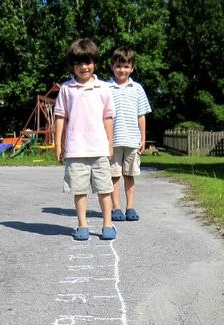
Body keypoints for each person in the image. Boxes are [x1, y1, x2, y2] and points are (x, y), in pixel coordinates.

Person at [54, 38, 117, 241]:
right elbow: (60, 117)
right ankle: (82, 224)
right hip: (76, 149)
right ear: (73, 65)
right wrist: (58, 144)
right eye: (79, 63)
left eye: (87, 62)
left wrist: (110, 143)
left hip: (98, 148)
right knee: (79, 190)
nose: (84, 67)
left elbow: (108, 117)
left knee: (104, 189)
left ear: (94, 63)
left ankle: (108, 223)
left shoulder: (104, 88)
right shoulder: (66, 89)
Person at [107, 47, 152, 222]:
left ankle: (130, 207)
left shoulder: (137, 88)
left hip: (132, 140)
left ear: (132, 68)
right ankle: (116, 207)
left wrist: (143, 138)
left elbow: (141, 115)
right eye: (118, 66)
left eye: (126, 66)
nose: (122, 70)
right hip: (113, 140)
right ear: (112, 67)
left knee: (129, 174)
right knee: (114, 175)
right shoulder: (106, 88)